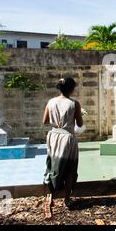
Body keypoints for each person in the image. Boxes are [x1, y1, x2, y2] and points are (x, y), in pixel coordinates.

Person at [42, 77, 83, 219]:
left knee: (53, 166)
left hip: (53, 137)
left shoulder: (51, 102)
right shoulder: (74, 104)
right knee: (70, 168)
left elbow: (45, 121)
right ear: (72, 89)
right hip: (68, 138)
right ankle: (67, 199)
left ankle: (51, 196)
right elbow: (80, 123)